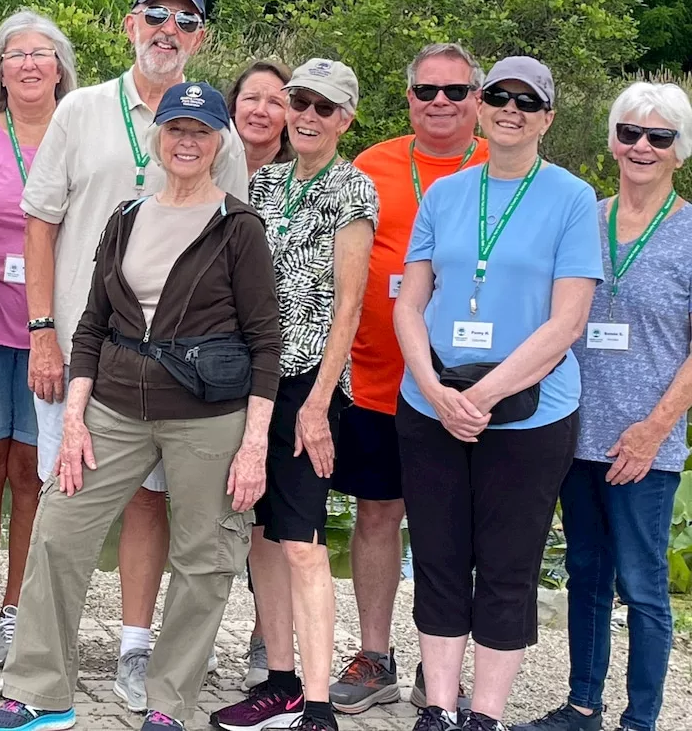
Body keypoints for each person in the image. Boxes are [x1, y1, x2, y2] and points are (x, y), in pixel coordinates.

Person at [0, 81, 281, 731]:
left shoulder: (239, 227)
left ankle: (169, 703)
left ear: (219, 142)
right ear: (159, 138)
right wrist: (77, 418)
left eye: (201, 132)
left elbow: (265, 343)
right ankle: (41, 695)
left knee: (203, 561)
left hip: (209, 416)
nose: (188, 142)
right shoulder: (126, 217)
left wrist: (254, 443)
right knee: (59, 535)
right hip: (113, 405)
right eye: (177, 130)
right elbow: (90, 327)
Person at [22, 0, 247, 711]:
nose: (168, 29)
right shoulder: (79, 111)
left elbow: (241, 260)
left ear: (199, 37)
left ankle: (136, 654)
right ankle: (41, 685)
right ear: (130, 23)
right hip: (89, 358)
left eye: (186, 20)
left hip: (186, 381)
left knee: (166, 516)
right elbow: (42, 222)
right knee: (67, 506)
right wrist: (44, 333)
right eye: (157, 15)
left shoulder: (219, 130)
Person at [393, 57, 602, 731]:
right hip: (433, 405)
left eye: (527, 101)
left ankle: (485, 714)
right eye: (499, 97)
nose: (510, 110)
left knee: (509, 567)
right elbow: (410, 302)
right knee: (438, 557)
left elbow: (567, 321)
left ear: (547, 117)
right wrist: (430, 384)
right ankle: (440, 707)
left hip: (529, 410)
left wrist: (484, 393)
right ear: (481, 107)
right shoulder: (445, 194)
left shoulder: (571, 198)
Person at [512, 83, 692, 731]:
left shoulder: (691, 233)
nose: (642, 146)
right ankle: (582, 705)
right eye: (630, 133)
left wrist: (654, 429)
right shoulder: (584, 217)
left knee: (643, 589)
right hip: (570, 429)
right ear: (613, 140)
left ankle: (641, 719)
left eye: (659, 137)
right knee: (585, 575)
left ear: (679, 151)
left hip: (643, 444)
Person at [212, 58, 377, 731]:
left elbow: (349, 305)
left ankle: (315, 703)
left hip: (309, 381)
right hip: (252, 377)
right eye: (299, 102)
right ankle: (277, 680)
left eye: (323, 107)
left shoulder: (354, 189)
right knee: (261, 533)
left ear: (345, 119)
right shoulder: (265, 180)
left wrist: (318, 403)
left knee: (304, 541)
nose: (307, 116)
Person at [329, 44, 489, 714]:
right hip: (376, 377)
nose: (441, 102)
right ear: (409, 98)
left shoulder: (500, 163)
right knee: (376, 516)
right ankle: (376, 654)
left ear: (479, 98)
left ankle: (439, 656)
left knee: (453, 527)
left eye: (455, 90)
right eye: (427, 90)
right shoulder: (374, 165)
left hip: (467, 387)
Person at [0, 10, 78, 669]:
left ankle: (18, 607)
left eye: (42, 53)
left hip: (55, 335)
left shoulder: (84, 132)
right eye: (15, 54)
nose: (29, 64)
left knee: (35, 475)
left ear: (61, 66)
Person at [225, 57, 292, 691]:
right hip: (210, 364)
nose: (262, 109)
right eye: (251, 96)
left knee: (269, 504)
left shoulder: (297, 181)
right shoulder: (201, 160)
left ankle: (266, 633)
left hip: (275, 362)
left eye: (277, 100)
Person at [229, 60, 294, 178]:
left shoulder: (297, 180)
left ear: (288, 115)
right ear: (234, 106)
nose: (260, 111)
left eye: (274, 102)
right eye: (251, 98)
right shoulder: (208, 170)